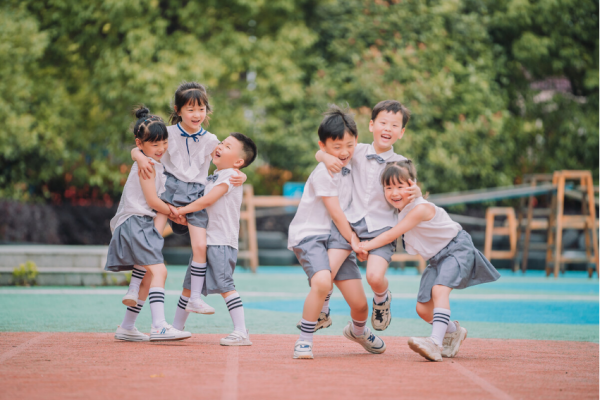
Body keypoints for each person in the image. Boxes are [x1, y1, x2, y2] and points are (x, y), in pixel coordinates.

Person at [356, 160, 501, 361]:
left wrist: (364, 246)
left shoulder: (420, 208)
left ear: (413, 185)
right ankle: (453, 330)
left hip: (456, 248)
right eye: (388, 187)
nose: (394, 192)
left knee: (439, 290)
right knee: (423, 309)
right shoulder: (397, 211)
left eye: (400, 186)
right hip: (436, 260)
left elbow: (390, 236)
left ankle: (435, 343)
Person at [132, 82, 246, 317]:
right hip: (168, 191)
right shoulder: (167, 133)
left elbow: (229, 160)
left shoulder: (211, 139)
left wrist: (241, 174)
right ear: (178, 110)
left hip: (195, 195)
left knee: (199, 246)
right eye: (191, 109)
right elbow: (141, 146)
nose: (197, 115)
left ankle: (194, 298)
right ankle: (134, 288)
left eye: (201, 109)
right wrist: (138, 156)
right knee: (152, 242)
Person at [289, 105, 386, 360]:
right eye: (336, 147)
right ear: (323, 145)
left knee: (360, 304)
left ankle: (358, 331)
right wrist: (355, 240)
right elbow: (335, 212)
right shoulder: (324, 172)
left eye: (350, 145)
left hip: (338, 237)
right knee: (322, 282)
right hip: (312, 234)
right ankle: (304, 340)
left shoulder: (354, 163)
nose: (344, 152)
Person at [316, 100, 421, 331]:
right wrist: (325, 158)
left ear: (401, 132)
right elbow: (322, 150)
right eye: (383, 122)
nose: (387, 128)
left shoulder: (402, 164)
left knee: (374, 277)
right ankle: (322, 311)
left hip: (382, 228)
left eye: (395, 125)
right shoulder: (356, 150)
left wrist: (416, 193)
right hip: (350, 224)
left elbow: (411, 195)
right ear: (372, 125)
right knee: (326, 272)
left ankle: (382, 299)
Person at [107, 106, 191, 342]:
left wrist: (173, 213)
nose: (161, 148)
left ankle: (127, 326)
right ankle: (159, 326)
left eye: (163, 142)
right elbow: (154, 201)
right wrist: (176, 212)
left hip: (141, 222)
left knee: (146, 277)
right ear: (140, 143)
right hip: (136, 222)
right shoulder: (147, 165)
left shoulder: (152, 163)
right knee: (159, 271)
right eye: (155, 144)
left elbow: (158, 202)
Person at [169, 133, 257, 346]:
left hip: (221, 241)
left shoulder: (231, 175)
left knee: (225, 285)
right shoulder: (214, 175)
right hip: (207, 241)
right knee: (188, 287)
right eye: (221, 143)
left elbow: (208, 200)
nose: (220, 146)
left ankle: (241, 331)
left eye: (227, 146)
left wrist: (183, 210)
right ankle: (175, 328)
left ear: (238, 162)